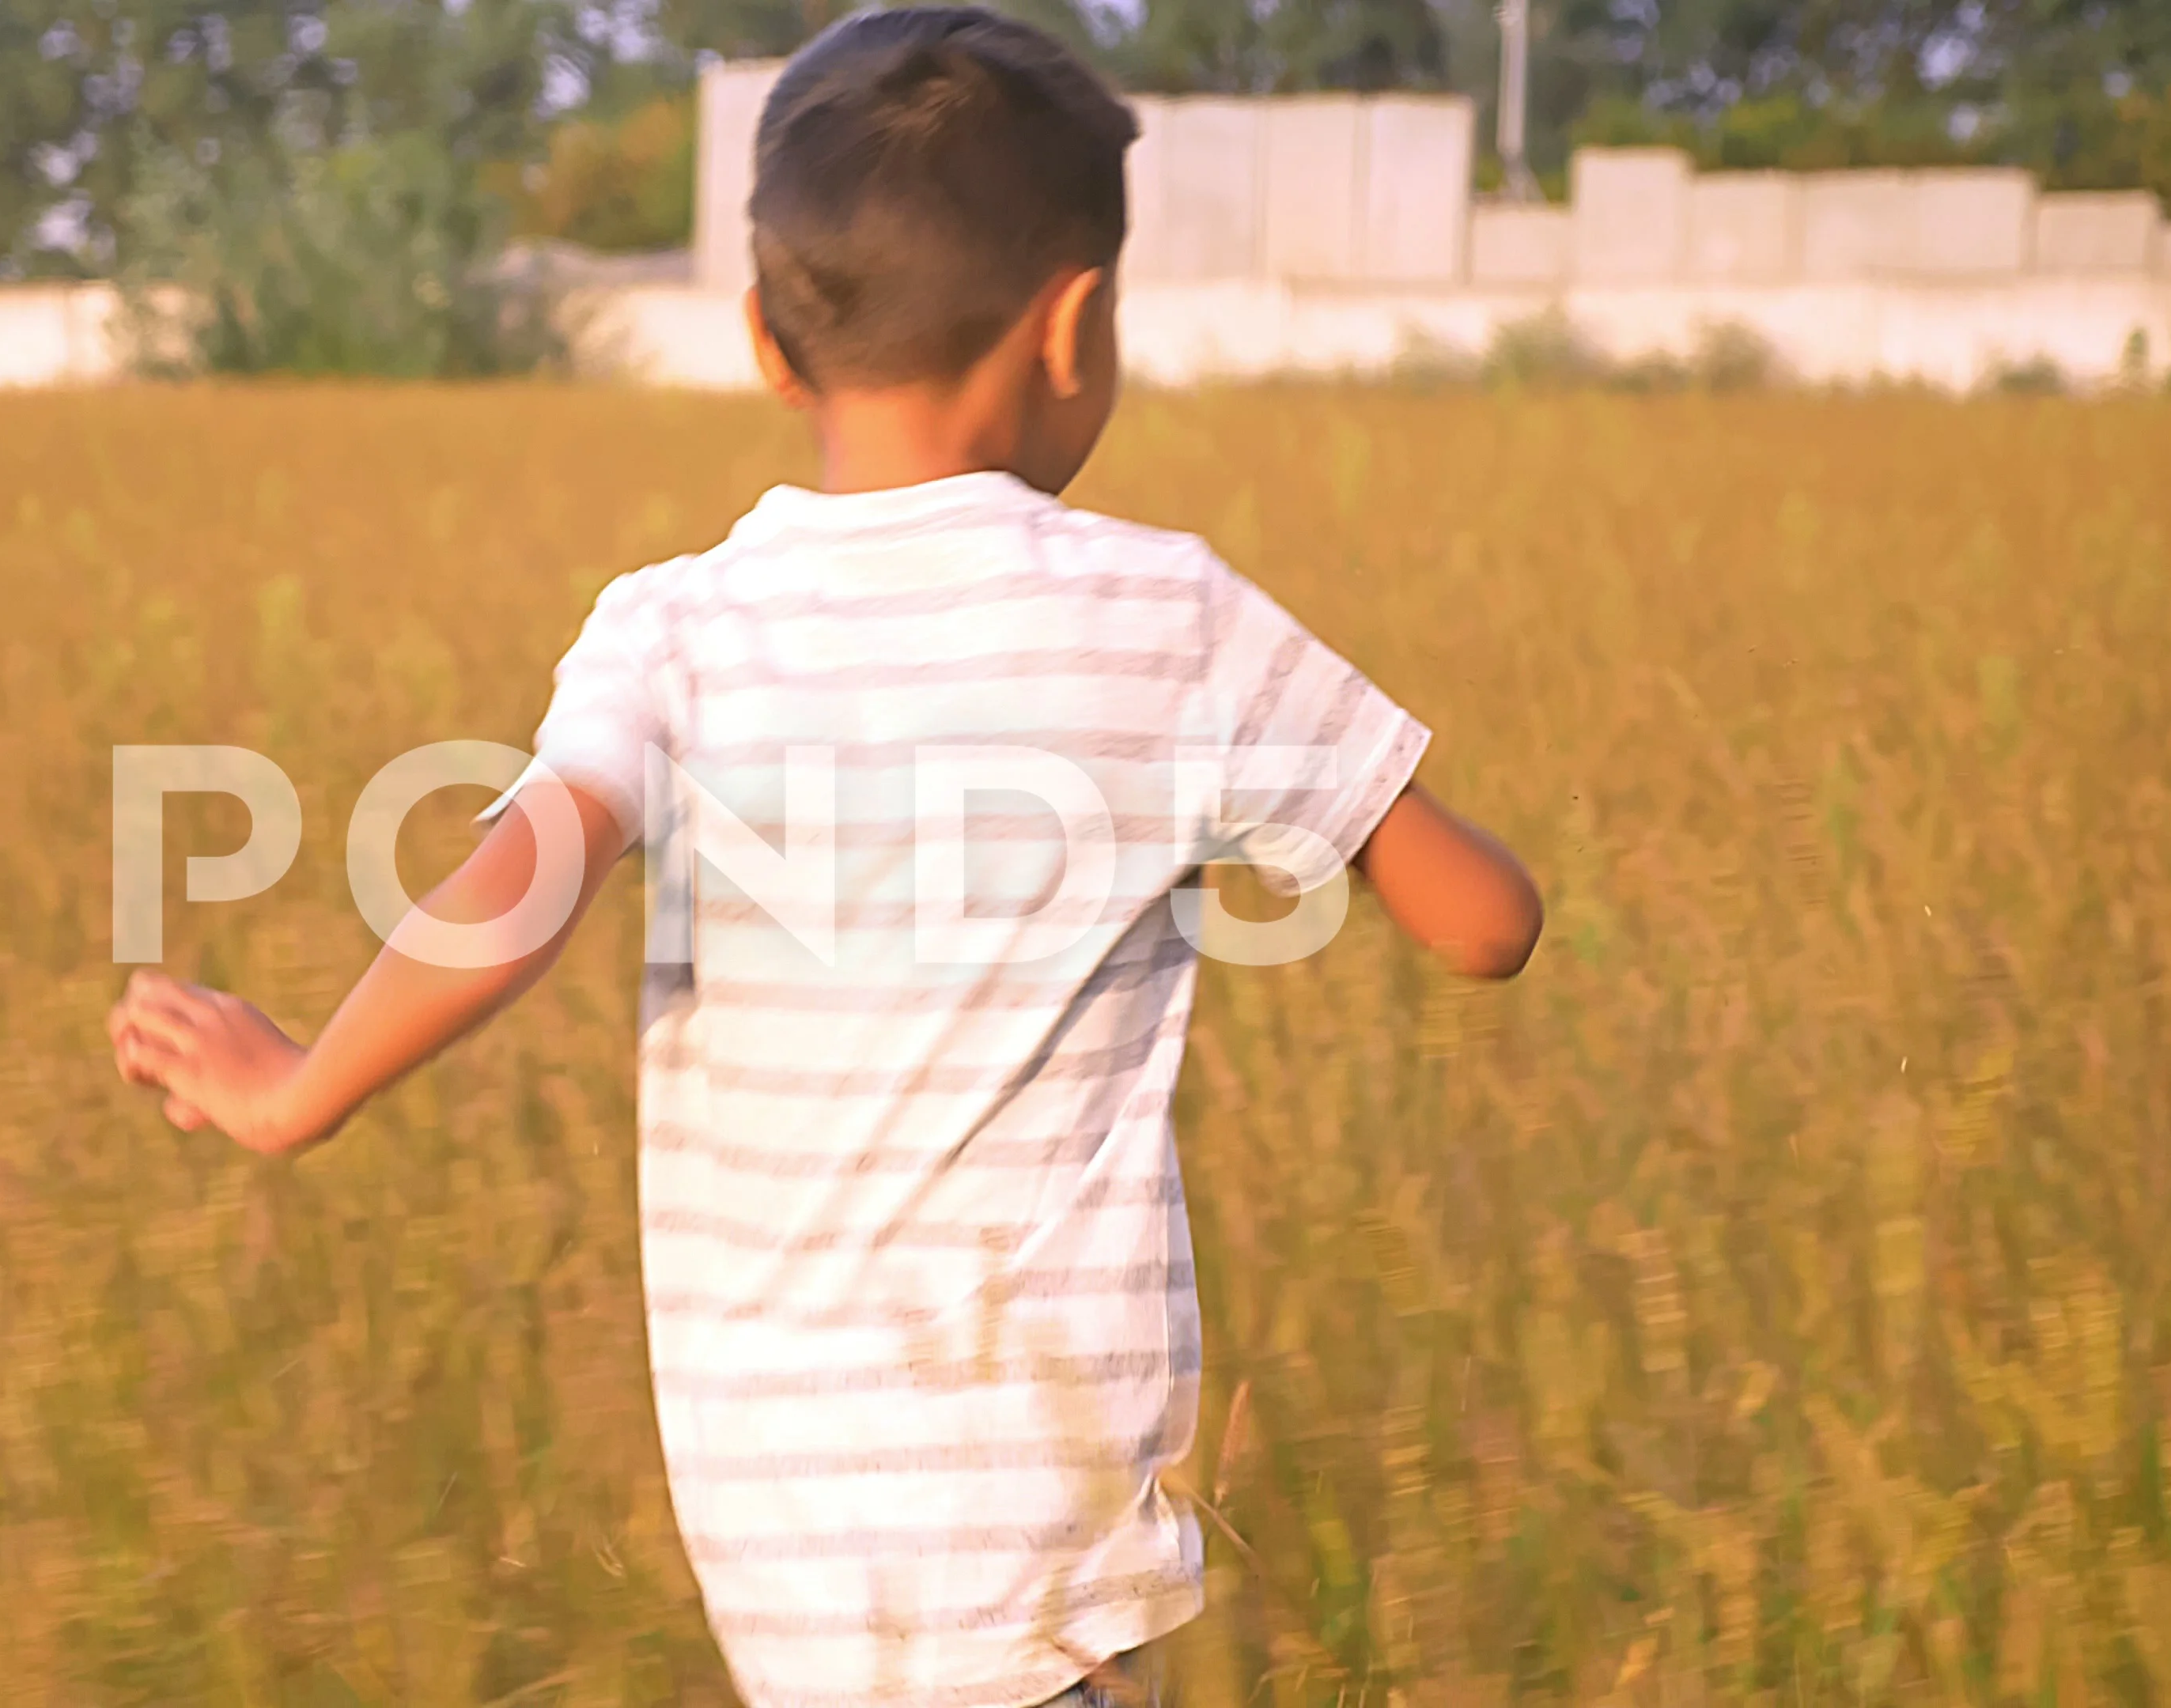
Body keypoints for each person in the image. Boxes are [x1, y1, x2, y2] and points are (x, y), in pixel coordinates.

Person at [108, 9, 1544, 1704]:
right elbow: (1486, 926)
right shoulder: (1172, 618)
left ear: (769, 347)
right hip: (1033, 1578)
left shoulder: (674, 633)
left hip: (785, 1565)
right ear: (1075, 324)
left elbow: (519, 878)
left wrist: (301, 1087)